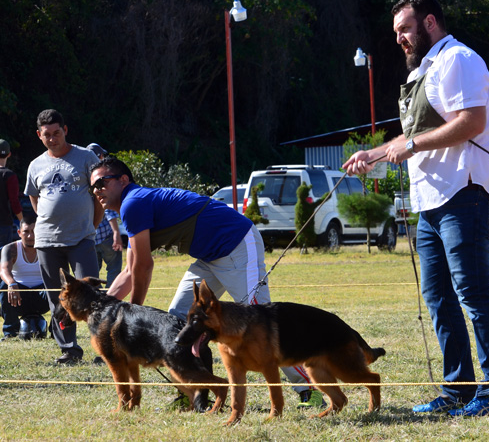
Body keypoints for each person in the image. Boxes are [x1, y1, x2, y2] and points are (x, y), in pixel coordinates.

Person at [343, 0, 489, 417]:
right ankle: (458, 389)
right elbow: (412, 136)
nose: (399, 38)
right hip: (430, 202)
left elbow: (471, 122)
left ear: (431, 23)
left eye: (405, 29)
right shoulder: (424, 70)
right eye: (396, 32)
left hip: (466, 193)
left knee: (474, 293)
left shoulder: (458, 59)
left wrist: (414, 144)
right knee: (438, 298)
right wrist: (375, 154)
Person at [90, 156, 324, 408]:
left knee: (261, 325)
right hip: (209, 256)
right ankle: (195, 394)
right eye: (92, 186)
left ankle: (312, 390)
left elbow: (144, 266)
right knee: (178, 318)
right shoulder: (132, 206)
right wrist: (102, 309)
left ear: (123, 180)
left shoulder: (132, 203)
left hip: (236, 244)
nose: (96, 191)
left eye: (102, 182)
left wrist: (132, 312)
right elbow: (129, 269)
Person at [25, 109, 103, 365]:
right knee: (57, 297)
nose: (52, 139)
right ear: (39, 135)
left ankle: (105, 347)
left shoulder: (86, 157)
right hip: (47, 242)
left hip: (81, 239)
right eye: (46, 135)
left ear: (65, 130)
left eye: (56, 133)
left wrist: (91, 225)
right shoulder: (35, 165)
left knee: (91, 293)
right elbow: (35, 201)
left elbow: (99, 195)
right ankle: (69, 349)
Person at [0, 215, 49, 340]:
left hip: (43, 296)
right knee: (5, 285)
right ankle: (10, 331)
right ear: (19, 233)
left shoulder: (47, 249)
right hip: (17, 296)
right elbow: (4, 270)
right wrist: (11, 283)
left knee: (61, 289)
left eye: (34, 231)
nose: (30, 236)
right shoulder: (11, 248)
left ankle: (57, 330)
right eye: (26, 232)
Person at [87, 144, 123, 286]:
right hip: (106, 235)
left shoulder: (84, 175)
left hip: (90, 236)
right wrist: (116, 233)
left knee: (92, 273)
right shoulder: (102, 177)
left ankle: (96, 299)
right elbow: (107, 209)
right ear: (100, 156)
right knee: (114, 269)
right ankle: (111, 297)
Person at [0, 139, 24, 248]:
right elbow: (14, 202)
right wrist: (22, 221)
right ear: (9, 154)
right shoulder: (9, 176)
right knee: (3, 259)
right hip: (4, 224)